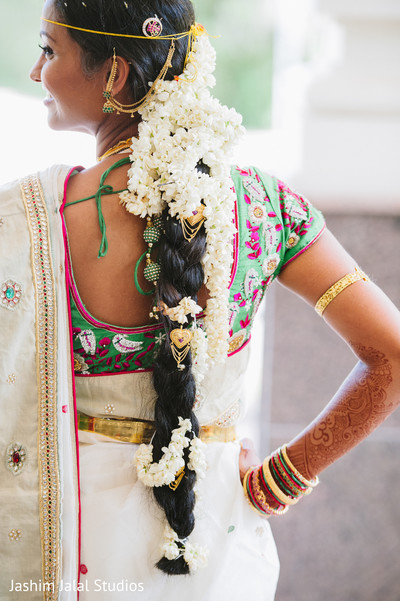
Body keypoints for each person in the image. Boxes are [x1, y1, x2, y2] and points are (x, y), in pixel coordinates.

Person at [1, 0, 400, 599]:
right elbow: (391, 354)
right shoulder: (264, 207)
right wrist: (279, 481)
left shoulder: (27, 218)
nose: (36, 72)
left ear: (114, 75)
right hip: (220, 543)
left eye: (49, 50)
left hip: (69, 543)